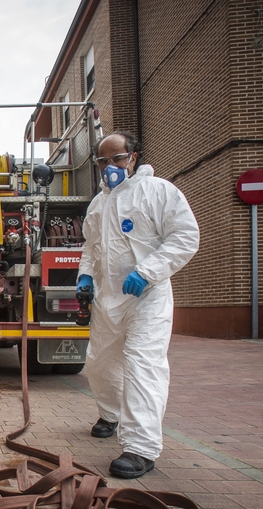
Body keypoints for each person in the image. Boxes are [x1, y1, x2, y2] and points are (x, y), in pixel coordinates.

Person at [77, 131, 199, 479]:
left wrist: (148, 272)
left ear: (133, 158)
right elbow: (91, 245)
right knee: (99, 363)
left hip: (147, 297)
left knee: (143, 364)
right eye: (103, 161)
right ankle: (110, 414)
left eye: (117, 158)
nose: (109, 167)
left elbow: (186, 236)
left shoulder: (158, 191)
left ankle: (140, 449)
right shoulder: (98, 204)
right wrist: (86, 275)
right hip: (108, 298)